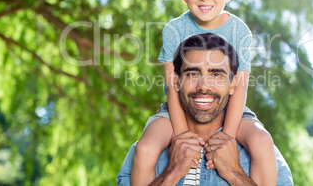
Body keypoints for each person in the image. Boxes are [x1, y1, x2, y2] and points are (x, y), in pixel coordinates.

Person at [132, 0, 276, 185]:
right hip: (178, 106)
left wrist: (227, 137)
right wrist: (182, 135)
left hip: (231, 108)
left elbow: (239, 88)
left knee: (262, 141)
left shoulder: (239, 31)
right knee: (146, 148)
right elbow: (173, 87)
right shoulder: (174, 30)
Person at [116, 33, 293, 185]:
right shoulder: (148, 153)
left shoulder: (260, 156)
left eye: (216, 75)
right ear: (176, 82)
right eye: (192, 73)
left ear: (232, 85)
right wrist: (173, 171)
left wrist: (234, 173)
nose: (203, 86)